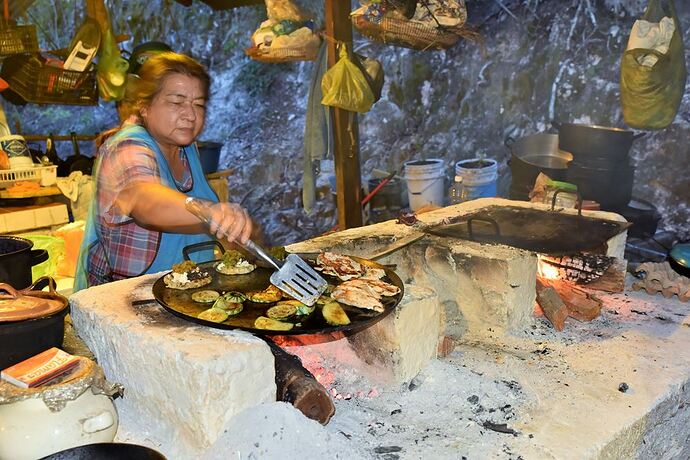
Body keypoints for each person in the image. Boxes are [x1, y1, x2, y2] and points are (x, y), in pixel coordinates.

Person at [74, 52, 253, 290]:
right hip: (128, 303)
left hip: (188, 294)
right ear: (145, 106)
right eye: (176, 102)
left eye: (198, 104)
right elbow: (145, 199)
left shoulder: (187, 148)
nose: (190, 115)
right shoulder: (126, 147)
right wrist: (211, 212)